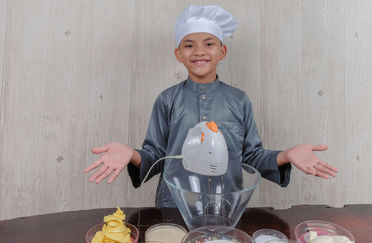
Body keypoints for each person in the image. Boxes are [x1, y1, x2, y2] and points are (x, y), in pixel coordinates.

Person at [85, 5, 338, 207]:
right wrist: (131, 153)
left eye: (209, 43)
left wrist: (287, 155)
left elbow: (251, 156)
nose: (199, 51)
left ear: (222, 51)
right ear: (179, 54)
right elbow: (156, 158)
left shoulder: (239, 100)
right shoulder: (167, 99)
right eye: (189, 45)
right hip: (174, 206)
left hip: (226, 205)